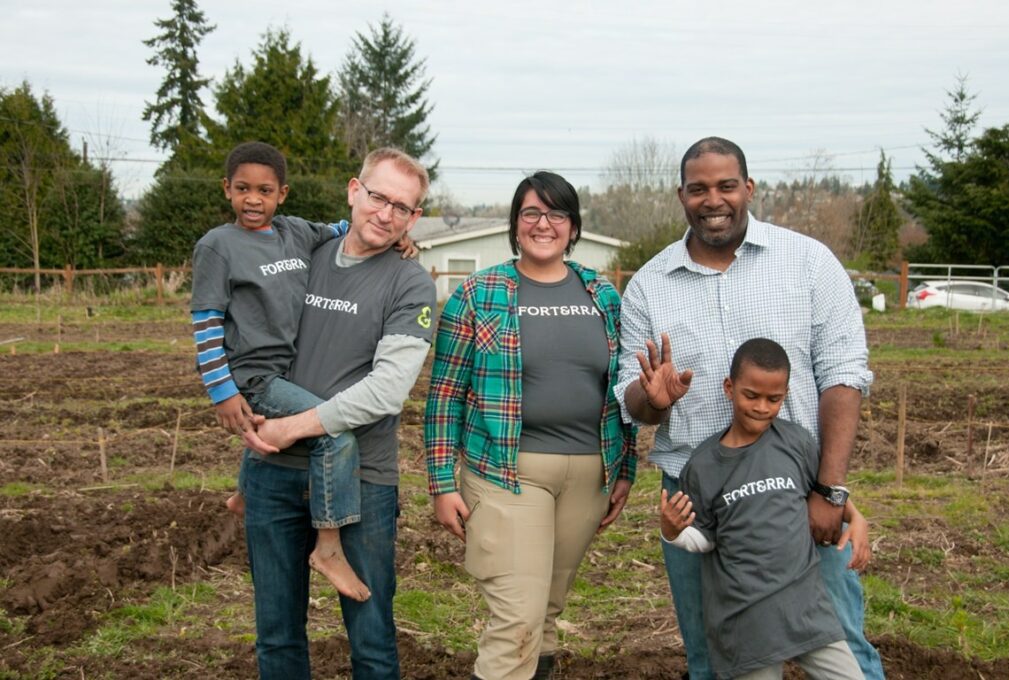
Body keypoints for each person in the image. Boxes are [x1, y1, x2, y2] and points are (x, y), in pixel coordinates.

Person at [615, 137, 885, 679]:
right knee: (713, 657)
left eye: (725, 185)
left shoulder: (808, 263)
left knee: (838, 642)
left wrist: (829, 492)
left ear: (749, 189)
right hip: (695, 497)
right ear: (681, 196)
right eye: (698, 189)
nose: (712, 199)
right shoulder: (649, 285)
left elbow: (843, 377)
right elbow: (631, 398)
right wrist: (652, 399)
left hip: (795, 491)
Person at [425, 171, 638, 680]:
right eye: (532, 213)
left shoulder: (604, 296)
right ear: (515, 224)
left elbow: (620, 388)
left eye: (557, 214)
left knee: (544, 611)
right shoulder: (479, 294)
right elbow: (445, 394)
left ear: (573, 226)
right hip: (506, 474)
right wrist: (440, 483)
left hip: (588, 475)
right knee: (516, 617)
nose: (545, 224)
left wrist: (625, 466)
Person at [235, 147, 436, 679]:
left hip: (362, 481)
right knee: (276, 637)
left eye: (402, 207)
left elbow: (387, 391)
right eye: (377, 197)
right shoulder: (303, 256)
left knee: (371, 639)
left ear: (414, 218)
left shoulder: (410, 282)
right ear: (353, 191)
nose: (386, 214)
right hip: (273, 474)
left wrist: (290, 426)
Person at [191, 140, 371, 601]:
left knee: (276, 428)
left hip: (288, 369)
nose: (254, 199)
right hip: (254, 375)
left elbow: (343, 229)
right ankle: (328, 546)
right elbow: (207, 322)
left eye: (265, 190)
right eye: (243, 189)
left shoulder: (294, 232)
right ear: (226, 189)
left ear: (282, 194)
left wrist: (396, 235)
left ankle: (244, 496)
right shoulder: (218, 246)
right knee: (335, 432)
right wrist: (223, 392)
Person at [660, 338, 869, 679]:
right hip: (746, 621)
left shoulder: (796, 443)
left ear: (785, 395)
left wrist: (856, 518)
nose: (761, 407)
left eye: (774, 399)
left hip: (806, 609)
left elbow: (825, 493)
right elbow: (704, 540)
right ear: (730, 388)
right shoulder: (703, 466)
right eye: (751, 396)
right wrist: (672, 532)